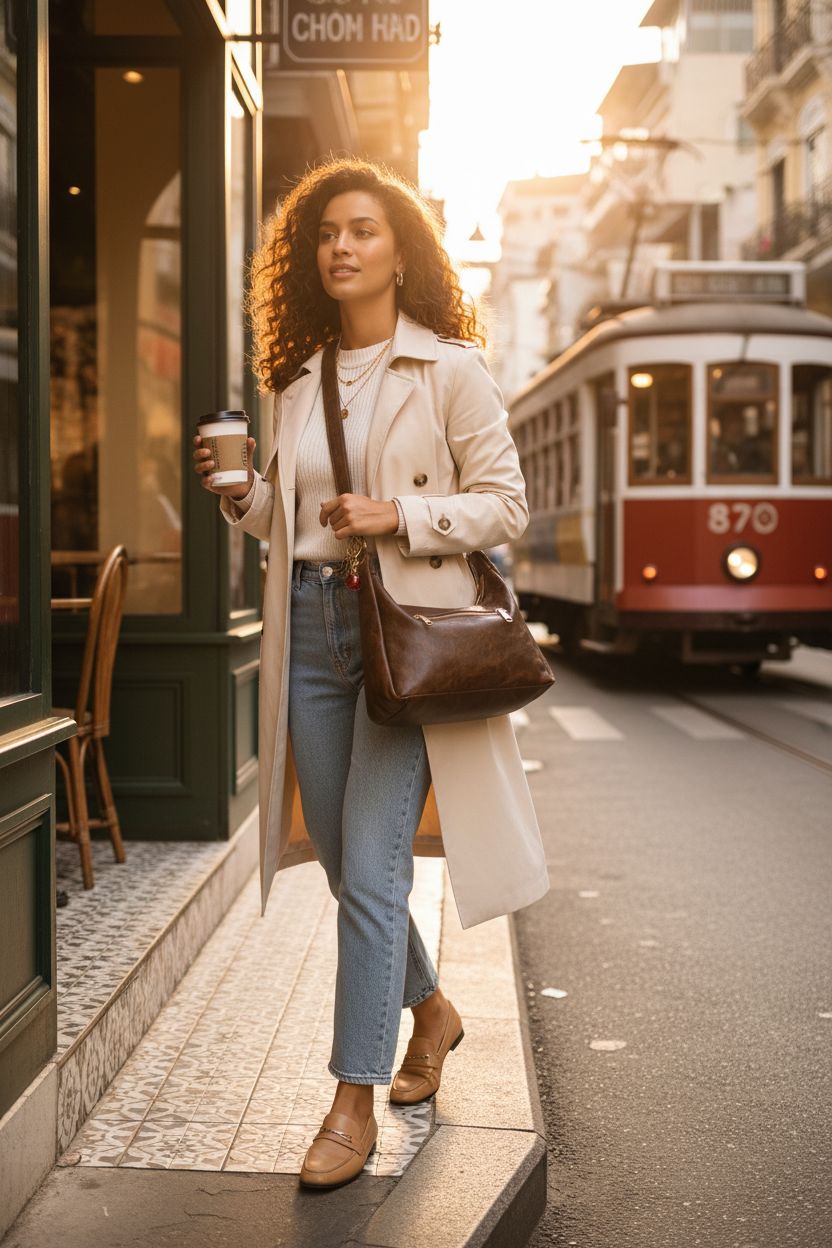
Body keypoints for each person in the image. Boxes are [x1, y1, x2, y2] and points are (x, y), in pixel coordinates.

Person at [193, 158, 550, 1190]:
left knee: (378, 873)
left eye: (362, 231)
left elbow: (504, 507)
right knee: (350, 867)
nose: (340, 247)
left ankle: (350, 1096)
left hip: (405, 634)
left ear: (402, 252)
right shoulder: (298, 380)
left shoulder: (450, 370)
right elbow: (288, 521)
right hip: (310, 631)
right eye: (325, 235)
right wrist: (236, 495)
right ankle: (432, 1007)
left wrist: (402, 516)